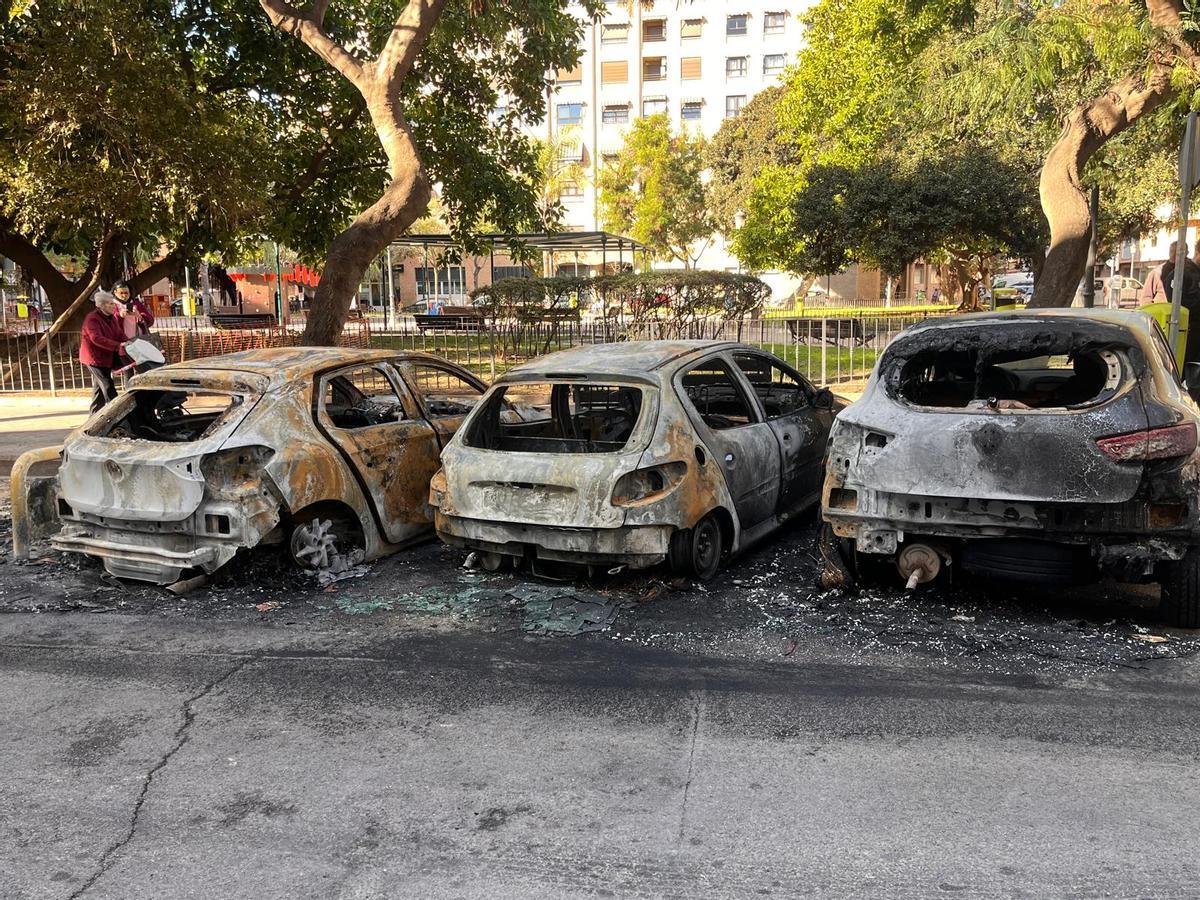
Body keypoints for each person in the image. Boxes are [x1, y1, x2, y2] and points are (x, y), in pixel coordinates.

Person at [80, 291, 131, 414]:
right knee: (107, 385)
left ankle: (94, 415)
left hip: (106, 357)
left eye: (113, 304)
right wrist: (117, 345)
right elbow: (95, 338)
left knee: (99, 388)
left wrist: (129, 342)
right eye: (110, 304)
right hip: (94, 359)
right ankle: (118, 413)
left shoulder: (111, 317)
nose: (114, 306)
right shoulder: (92, 319)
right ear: (100, 305)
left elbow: (119, 333)